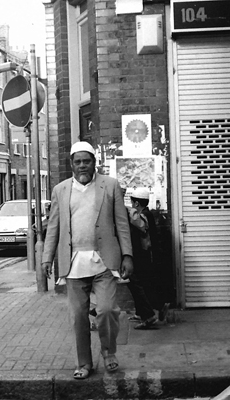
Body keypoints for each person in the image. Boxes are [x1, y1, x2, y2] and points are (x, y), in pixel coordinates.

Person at [42, 141, 133, 380]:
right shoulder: (60, 190)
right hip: (73, 264)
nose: (83, 165)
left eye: (87, 160)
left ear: (95, 162)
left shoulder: (110, 185)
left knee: (106, 310)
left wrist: (127, 255)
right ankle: (84, 363)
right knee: (78, 316)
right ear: (71, 164)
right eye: (78, 161)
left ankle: (108, 352)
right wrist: (46, 259)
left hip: (105, 260)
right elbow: (53, 227)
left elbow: (122, 224)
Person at [126, 187, 170, 330]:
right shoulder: (148, 213)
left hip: (144, 255)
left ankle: (151, 311)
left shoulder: (142, 216)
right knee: (143, 283)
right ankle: (145, 311)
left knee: (140, 284)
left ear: (137, 203)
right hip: (149, 255)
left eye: (132, 202)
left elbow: (138, 225)